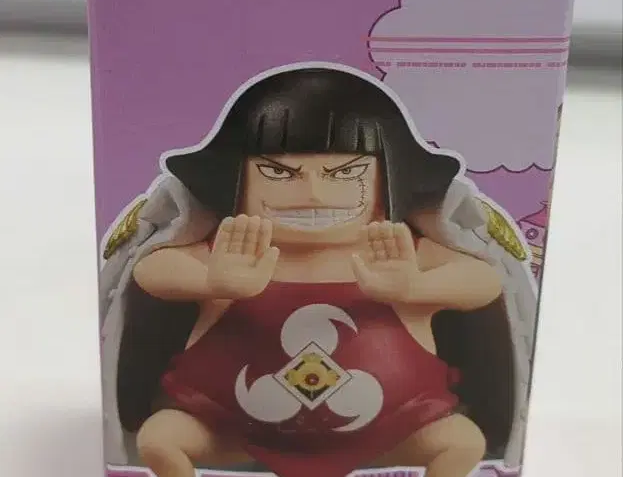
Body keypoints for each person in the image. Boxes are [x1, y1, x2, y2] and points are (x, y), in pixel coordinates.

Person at [100, 65, 536, 477]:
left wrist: (416, 287)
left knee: (461, 442)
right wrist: (211, 280)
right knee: (160, 439)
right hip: (231, 426)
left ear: (391, 178)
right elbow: (152, 270)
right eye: (278, 172)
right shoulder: (233, 251)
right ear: (235, 180)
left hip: (393, 429)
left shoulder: (397, 251)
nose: (312, 192)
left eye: (346, 173)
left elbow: (484, 281)